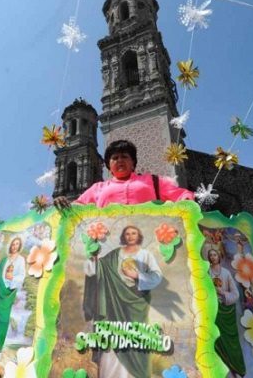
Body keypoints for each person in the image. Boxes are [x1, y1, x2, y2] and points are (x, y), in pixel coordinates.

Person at [83, 225, 162, 378]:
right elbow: (98, 269)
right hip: (114, 303)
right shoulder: (114, 255)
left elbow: (156, 277)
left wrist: (137, 275)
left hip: (137, 302)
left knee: (136, 339)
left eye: (134, 233)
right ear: (123, 237)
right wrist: (93, 259)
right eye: (127, 233)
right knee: (113, 337)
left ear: (139, 235)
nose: (130, 236)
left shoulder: (145, 255)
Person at [54, 140, 194, 208]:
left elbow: (181, 195)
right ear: (109, 166)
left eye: (124, 157)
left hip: (151, 241)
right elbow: (78, 206)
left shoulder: (153, 181)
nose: (120, 160)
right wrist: (63, 204)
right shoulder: (98, 188)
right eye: (115, 158)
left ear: (133, 162)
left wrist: (187, 200)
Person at [207, 249, 246, 378]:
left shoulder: (226, 273)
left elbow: (235, 294)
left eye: (215, 254)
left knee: (231, 341)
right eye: (211, 255)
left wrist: (222, 293)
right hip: (213, 310)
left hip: (226, 312)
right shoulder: (206, 272)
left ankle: (237, 369)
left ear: (219, 257)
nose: (213, 257)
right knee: (215, 339)